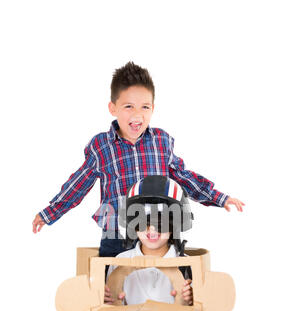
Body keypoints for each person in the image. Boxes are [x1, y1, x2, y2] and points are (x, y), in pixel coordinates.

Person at [32, 61, 245, 257]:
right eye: (128, 106)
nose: (137, 114)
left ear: (153, 108)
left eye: (145, 107)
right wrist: (50, 213)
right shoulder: (101, 146)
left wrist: (218, 197)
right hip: (117, 235)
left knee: (164, 286)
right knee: (114, 290)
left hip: (156, 232)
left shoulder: (161, 141)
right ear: (112, 108)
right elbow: (78, 185)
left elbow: (184, 177)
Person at [104, 175, 194, 306]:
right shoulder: (119, 261)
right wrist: (107, 298)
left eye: (161, 223)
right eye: (141, 222)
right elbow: (112, 306)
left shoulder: (186, 265)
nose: (151, 229)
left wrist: (191, 298)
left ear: (174, 225)